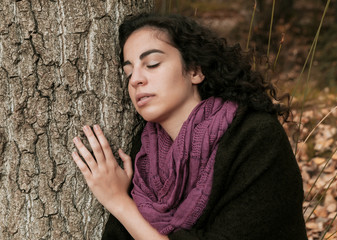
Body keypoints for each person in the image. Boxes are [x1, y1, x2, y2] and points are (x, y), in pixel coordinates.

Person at [71, 13, 308, 240]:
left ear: (194, 70)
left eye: (152, 64)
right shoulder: (145, 155)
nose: (135, 80)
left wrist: (118, 202)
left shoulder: (256, 138)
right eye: (129, 72)